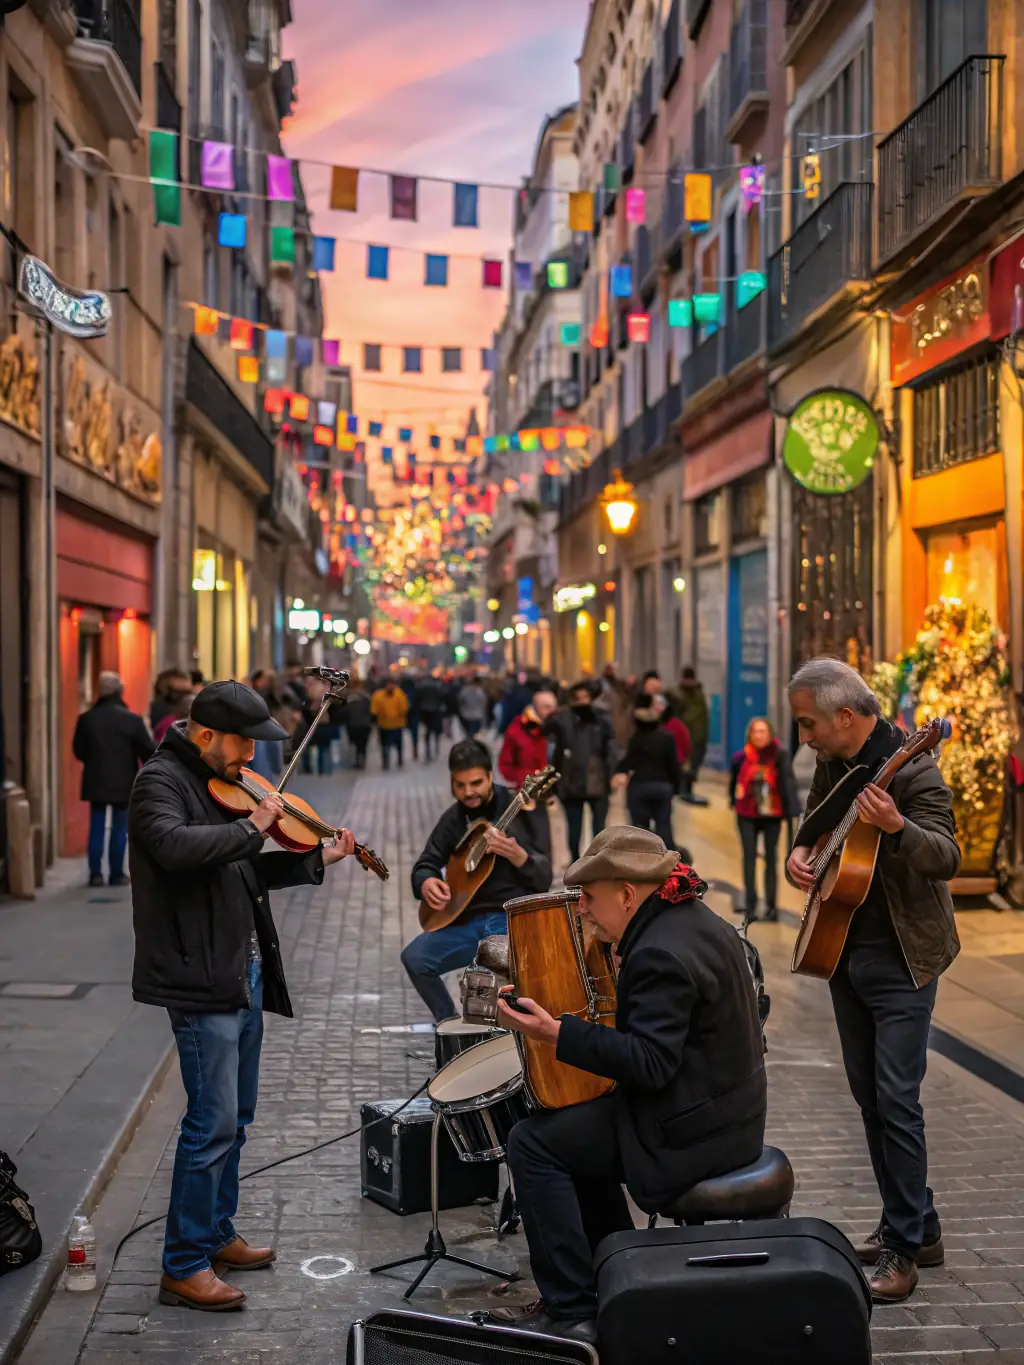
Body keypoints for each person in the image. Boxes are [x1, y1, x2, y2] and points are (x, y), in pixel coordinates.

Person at [128, 680, 356, 1311]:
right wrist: (257, 823)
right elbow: (177, 850)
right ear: (206, 735)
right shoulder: (159, 785)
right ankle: (182, 1263)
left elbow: (242, 867)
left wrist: (317, 859)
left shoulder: (219, 784)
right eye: (243, 745)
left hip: (241, 971)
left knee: (240, 1117)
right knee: (211, 1123)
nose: (251, 760)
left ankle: (217, 1231)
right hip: (200, 978)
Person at [496, 827, 767, 1343]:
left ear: (626, 894)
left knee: (531, 1143)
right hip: (726, 1112)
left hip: (697, 1134)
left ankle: (573, 1308)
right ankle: (613, 1275)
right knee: (570, 1128)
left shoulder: (658, 952)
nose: (583, 911)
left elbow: (650, 1064)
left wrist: (556, 1032)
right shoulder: (692, 918)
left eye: (590, 899)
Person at [786, 658, 960, 1305]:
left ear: (847, 717)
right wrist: (798, 856)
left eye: (810, 722)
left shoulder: (913, 767)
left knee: (897, 1098)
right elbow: (813, 831)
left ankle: (905, 1250)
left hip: (904, 959)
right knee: (869, 1096)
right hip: (843, 950)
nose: (804, 735)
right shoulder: (834, 764)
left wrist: (897, 826)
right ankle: (916, 1222)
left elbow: (947, 855)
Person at [403, 739, 552, 1022]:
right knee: (416, 958)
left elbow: (544, 878)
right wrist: (426, 882)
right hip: (465, 922)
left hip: (506, 919)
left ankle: (492, 1044)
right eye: (460, 785)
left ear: (490, 776)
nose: (468, 792)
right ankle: (449, 1028)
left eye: (475, 783)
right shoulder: (454, 818)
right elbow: (425, 863)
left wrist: (519, 856)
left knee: (482, 990)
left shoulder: (521, 810)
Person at [73, 672, 155, 888]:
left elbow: (79, 750)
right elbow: (147, 751)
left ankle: (95, 874)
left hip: (95, 780)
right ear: (120, 691)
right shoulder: (131, 720)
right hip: (124, 781)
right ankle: (117, 874)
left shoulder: (87, 719)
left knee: (97, 826)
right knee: (120, 828)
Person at [729, 717, 798, 923]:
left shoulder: (780, 755)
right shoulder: (741, 757)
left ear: (770, 734)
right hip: (746, 813)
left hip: (772, 814)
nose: (759, 735)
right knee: (749, 858)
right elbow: (733, 782)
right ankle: (750, 905)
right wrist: (734, 800)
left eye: (763, 731)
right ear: (749, 734)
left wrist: (791, 810)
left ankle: (771, 906)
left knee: (771, 859)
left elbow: (788, 782)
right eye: (755, 731)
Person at [548, 682, 618, 861]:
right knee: (574, 827)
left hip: (597, 780)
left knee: (599, 828)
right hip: (571, 782)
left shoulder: (602, 718)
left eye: (585, 697)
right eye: (578, 698)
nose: (582, 702)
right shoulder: (563, 718)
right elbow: (553, 745)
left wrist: (613, 775)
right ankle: (576, 861)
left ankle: (597, 861)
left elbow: (610, 749)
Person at [614, 702, 682, 848]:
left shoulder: (636, 739)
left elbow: (627, 762)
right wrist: (676, 788)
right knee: (664, 827)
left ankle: (643, 863)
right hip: (662, 787)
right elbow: (674, 765)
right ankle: (668, 863)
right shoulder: (667, 738)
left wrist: (618, 771)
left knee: (640, 831)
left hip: (640, 788)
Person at [499, 688, 557, 788]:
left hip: (554, 789)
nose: (552, 712)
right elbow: (506, 765)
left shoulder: (558, 728)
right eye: (546, 707)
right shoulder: (517, 729)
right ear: (535, 707)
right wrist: (527, 778)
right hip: (528, 789)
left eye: (554, 707)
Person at [674, 667, 709, 805]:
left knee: (693, 766)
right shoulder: (677, 696)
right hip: (683, 738)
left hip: (698, 738)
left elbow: (704, 718)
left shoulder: (699, 695)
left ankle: (687, 789)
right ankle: (683, 790)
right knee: (684, 766)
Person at [370, 677, 409, 769]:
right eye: (388, 685)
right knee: (384, 745)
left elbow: (404, 708)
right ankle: (385, 762)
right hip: (384, 725)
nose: (390, 687)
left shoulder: (400, 694)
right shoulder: (378, 695)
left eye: (392, 685)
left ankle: (400, 759)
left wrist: (400, 713)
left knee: (398, 744)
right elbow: (374, 710)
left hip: (397, 724)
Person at [415, 671, 447, 760]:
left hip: (425, 711)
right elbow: (442, 697)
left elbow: (417, 699)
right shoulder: (436, 687)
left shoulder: (421, 687)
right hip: (435, 711)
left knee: (427, 731)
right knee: (435, 730)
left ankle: (428, 750)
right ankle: (436, 747)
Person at [342, 682, 372, 769]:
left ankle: (356, 760)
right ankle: (362, 759)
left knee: (354, 743)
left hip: (353, 724)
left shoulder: (350, 699)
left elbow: (345, 712)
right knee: (363, 744)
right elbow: (372, 711)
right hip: (365, 724)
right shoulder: (368, 699)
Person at [457, 674, 488, 738]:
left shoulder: (465, 690)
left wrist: (462, 710)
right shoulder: (480, 691)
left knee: (469, 732)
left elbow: (460, 700)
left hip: (466, 714)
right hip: (477, 714)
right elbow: (484, 702)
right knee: (474, 732)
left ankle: (470, 740)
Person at [402, 672, 421, 760]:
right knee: (414, 734)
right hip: (414, 715)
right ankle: (415, 750)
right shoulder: (416, 691)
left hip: (404, 716)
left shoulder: (401, 693)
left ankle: (401, 754)